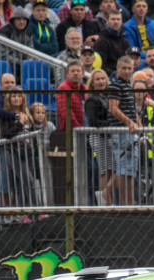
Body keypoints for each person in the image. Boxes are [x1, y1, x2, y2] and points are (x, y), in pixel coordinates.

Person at [108, 56, 141, 205]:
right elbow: (113, 109)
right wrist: (130, 123)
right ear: (117, 68)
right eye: (124, 68)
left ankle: (129, 203)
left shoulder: (128, 85)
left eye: (129, 68)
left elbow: (132, 110)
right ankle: (125, 204)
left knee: (130, 170)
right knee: (123, 169)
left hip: (130, 131)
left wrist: (138, 124)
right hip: (121, 132)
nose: (127, 71)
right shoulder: (115, 86)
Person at [85, 68, 116, 205]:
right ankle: (106, 201)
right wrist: (113, 123)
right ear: (92, 82)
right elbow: (94, 122)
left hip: (108, 137)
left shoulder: (107, 97)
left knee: (112, 169)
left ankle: (107, 198)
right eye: (97, 79)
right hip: (99, 137)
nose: (101, 81)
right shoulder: (92, 99)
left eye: (103, 78)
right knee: (105, 170)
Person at [0, 88, 33, 205]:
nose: (17, 98)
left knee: (24, 184)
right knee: (29, 182)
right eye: (13, 96)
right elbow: (5, 134)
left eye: (19, 96)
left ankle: (28, 210)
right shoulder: (6, 115)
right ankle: (35, 210)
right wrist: (20, 124)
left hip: (27, 153)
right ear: (9, 99)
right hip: (13, 152)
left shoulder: (27, 113)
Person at [0, 7, 33, 77]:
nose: (21, 22)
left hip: (23, 64)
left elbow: (31, 53)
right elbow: (4, 56)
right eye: (18, 19)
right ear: (13, 20)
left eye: (24, 19)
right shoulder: (3, 32)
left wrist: (27, 62)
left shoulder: (28, 34)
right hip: (7, 65)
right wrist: (22, 62)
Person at [94, 9, 128, 74]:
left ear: (121, 22)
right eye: (113, 19)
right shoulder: (101, 42)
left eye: (118, 19)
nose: (116, 22)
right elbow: (101, 65)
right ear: (107, 21)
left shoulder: (125, 43)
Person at [56, 60, 86, 129]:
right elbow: (66, 113)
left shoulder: (85, 88)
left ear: (83, 74)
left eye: (78, 71)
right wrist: (78, 129)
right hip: (70, 131)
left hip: (86, 130)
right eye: (72, 71)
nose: (75, 73)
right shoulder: (63, 88)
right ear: (67, 74)